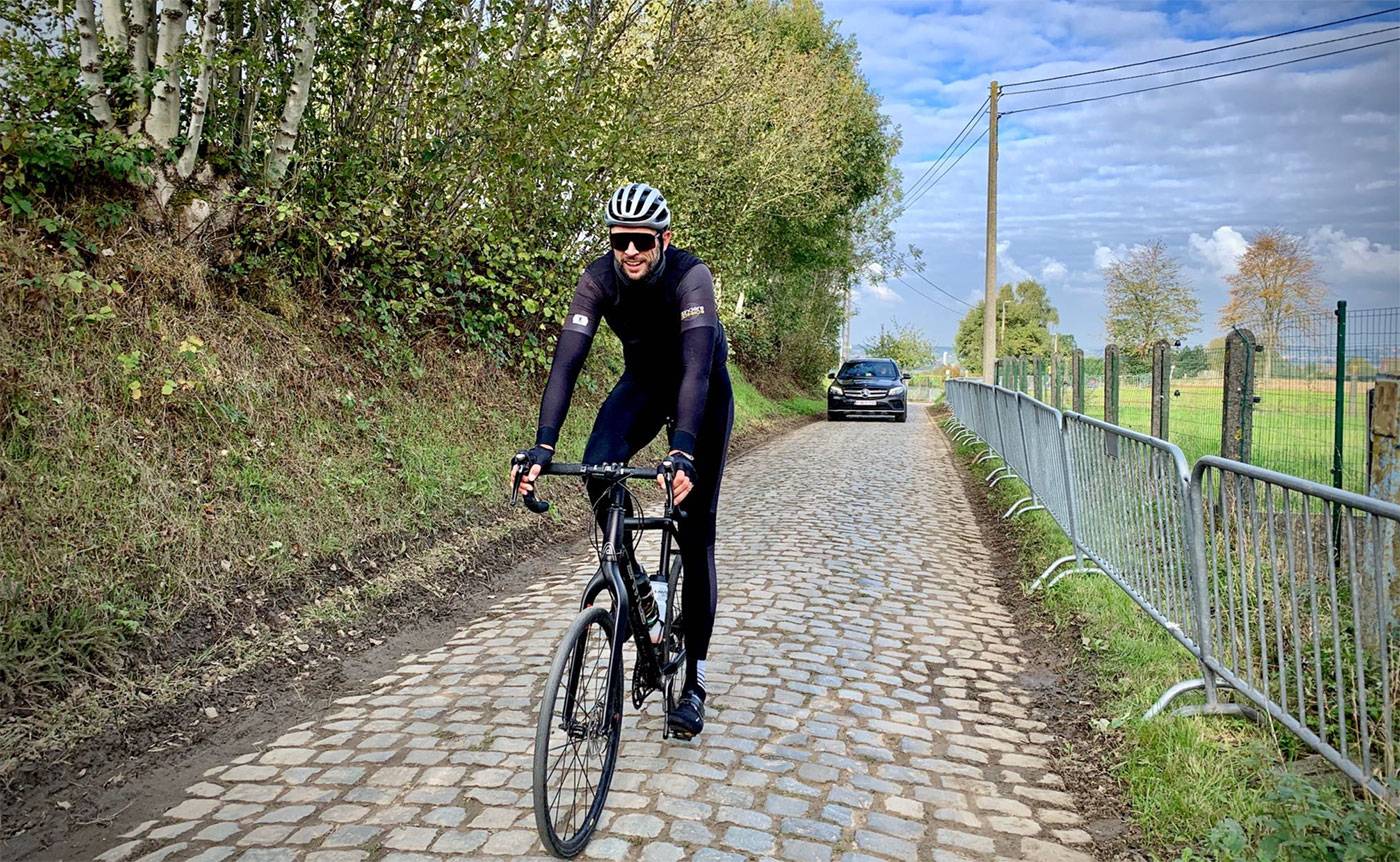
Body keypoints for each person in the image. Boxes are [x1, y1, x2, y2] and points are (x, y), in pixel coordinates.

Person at [512, 182, 733, 739]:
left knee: (694, 529)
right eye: (619, 240)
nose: (630, 250)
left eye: (641, 239)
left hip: (700, 394)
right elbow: (567, 365)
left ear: (664, 239)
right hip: (642, 385)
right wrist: (543, 445)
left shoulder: (691, 277)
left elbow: (697, 373)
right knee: (597, 464)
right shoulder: (598, 280)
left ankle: (695, 684)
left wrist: (681, 452)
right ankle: (637, 590)